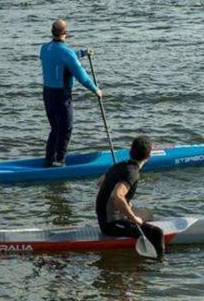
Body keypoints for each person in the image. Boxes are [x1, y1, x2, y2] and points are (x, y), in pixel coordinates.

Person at [40, 20, 102, 167]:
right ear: (65, 33)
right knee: (66, 128)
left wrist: (82, 53)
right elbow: (82, 77)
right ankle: (59, 161)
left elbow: (61, 56)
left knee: (55, 128)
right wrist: (96, 90)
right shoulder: (67, 53)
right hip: (61, 96)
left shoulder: (44, 48)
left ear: (52, 32)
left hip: (47, 93)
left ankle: (49, 160)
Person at [96, 136, 165, 258]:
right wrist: (133, 218)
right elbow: (117, 196)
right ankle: (160, 264)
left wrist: (125, 202)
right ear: (149, 156)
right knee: (157, 233)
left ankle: (139, 225)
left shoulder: (119, 165)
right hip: (111, 223)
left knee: (149, 214)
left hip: (115, 214)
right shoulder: (132, 173)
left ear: (130, 151)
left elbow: (101, 182)